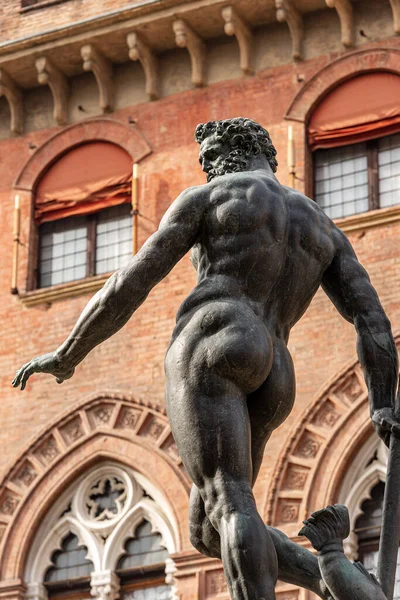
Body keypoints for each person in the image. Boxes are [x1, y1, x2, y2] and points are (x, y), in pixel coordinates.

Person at [13, 118, 399, 600]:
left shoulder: (211, 198)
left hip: (215, 341)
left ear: (239, 149)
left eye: (211, 154)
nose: (207, 165)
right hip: (276, 368)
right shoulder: (319, 225)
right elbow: (372, 319)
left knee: (230, 498)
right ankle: (331, 573)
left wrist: (68, 354)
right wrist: (382, 402)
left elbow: (132, 279)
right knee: (206, 527)